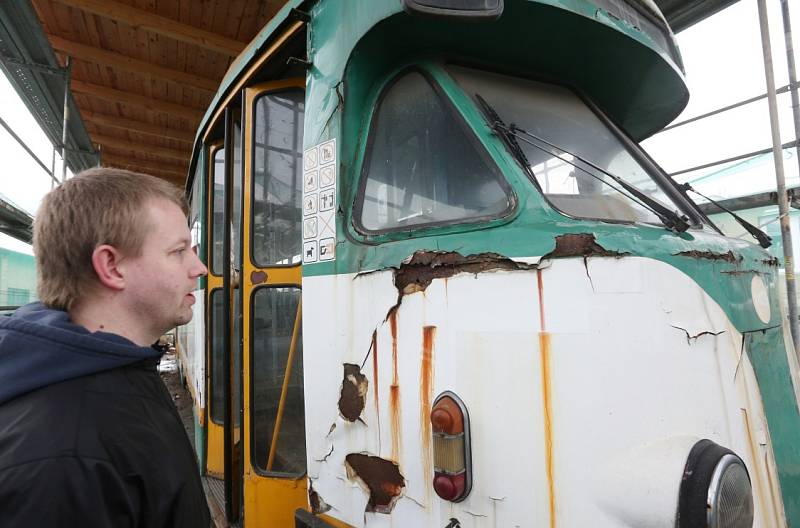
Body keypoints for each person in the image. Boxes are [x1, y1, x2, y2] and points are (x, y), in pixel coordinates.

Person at [0, 168, 211, 527]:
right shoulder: (62, 461)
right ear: (111, 267)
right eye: (178, 252)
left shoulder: (120, 367)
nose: (200, 267)